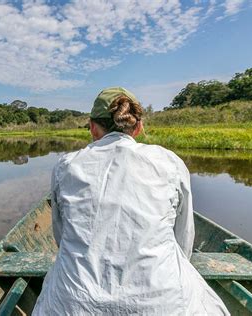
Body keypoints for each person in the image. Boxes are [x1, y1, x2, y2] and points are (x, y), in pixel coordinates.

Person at [32, 87, 229, 315]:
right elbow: (184, 239)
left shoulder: (66, 166)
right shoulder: (170, 163)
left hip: (73, 307)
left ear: (93, 128)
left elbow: (61, 236)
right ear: (138, 127)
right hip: (165, 306)